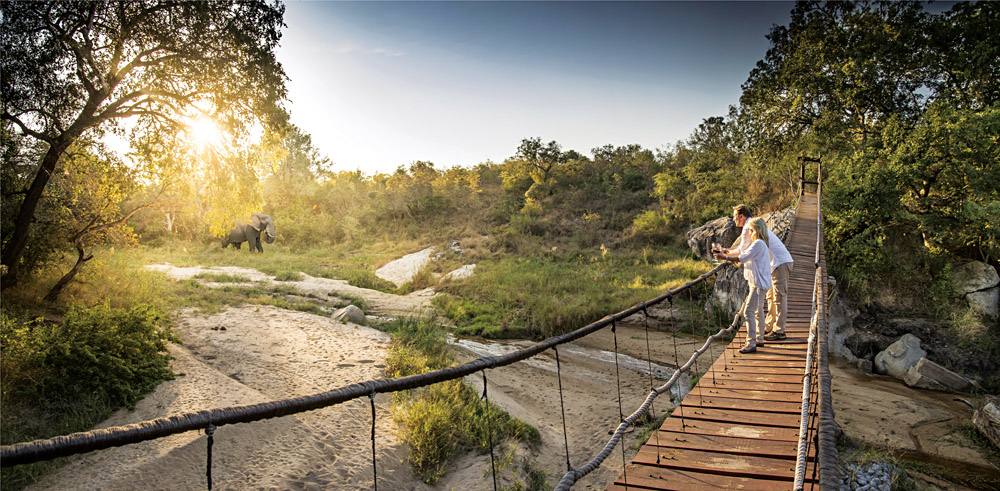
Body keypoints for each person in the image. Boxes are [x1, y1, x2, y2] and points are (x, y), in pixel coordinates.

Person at [724, 204, 794, 341]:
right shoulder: (752, 224)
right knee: (771, 298)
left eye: (734, 217)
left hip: (780, 262)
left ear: (741, 216)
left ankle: (779, 331)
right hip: (775, 263)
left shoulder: (749, 226)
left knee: (779, 297)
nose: (733, 220)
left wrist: (724, 254)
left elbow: (742, 252)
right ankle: (768, 327)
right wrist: (725, 252)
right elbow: (743, 250)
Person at [714, 217, 771, 353]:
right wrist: (725, 252)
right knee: (757, 311)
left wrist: (723, 257)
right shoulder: (760, 243)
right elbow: (742, 253)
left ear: (756, 230)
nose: (749, 233)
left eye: (750, 230)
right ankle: (759, 338)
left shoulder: (758, 244)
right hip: (759, 283)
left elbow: (743, 258)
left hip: (758, 284)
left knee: (748, 311)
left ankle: (751, 343)